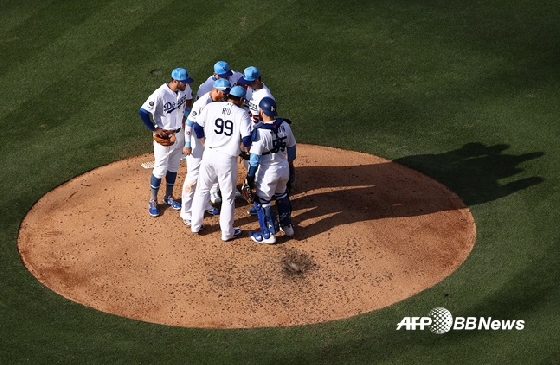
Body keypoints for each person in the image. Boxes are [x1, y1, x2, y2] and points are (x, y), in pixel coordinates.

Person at [190, 86, 252, 241]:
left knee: (202, 190)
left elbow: (197, 126)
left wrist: (204, 143)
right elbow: (247, 139)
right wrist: (245, 150)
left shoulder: (211, 106)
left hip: (209, 155)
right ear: (242, 100)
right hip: (226, 159)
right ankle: (227, 232)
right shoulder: (242, 113)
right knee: (228, 197)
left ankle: (195, 225)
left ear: (227, 96)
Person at [139, 67, 193, 217]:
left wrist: (185, 115)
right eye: (184, 82)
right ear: (175, 81)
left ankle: (169, 196)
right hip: (164, 138)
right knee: (160, 168)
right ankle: (153, 199)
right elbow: (143, 111)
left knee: (174, 167)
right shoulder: (160, 93)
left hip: (179, 134)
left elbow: (189, 101)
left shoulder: (185, 89)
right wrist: (154, 129)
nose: (186, 85)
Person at [179, 78, 232, 226]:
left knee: (210, 173)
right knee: (193, 177)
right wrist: (188, 144)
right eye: (225, 92)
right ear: (216, 90)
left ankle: (205, 204)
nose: (226, 95)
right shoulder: (203, 103)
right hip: (196, 144)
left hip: (208, 143)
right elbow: (189, 123)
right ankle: (186, 211)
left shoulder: (217, 102)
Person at [245, 97, 297, 244]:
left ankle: (268, 234)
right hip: (283, 168)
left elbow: (254, 160)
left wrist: (249, 177)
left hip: (268, 172)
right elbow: (292, 147)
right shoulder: (285, 125)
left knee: (263, 201)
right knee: (282, 195)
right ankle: (287, 226)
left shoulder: (260, 132)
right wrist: (291, 165)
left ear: (261, 111)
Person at [196, 60, 244, 204]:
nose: (226, 77)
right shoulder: (205, 88)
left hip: (231, 121)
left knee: (231, 151)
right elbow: (199, 113)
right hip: (212, 126)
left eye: (227, 75)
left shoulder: (234, 76)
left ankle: (230, 186)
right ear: (214, 74)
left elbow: (243, 80)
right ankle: (213, 190)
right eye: (222, 75)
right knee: (216, 158)